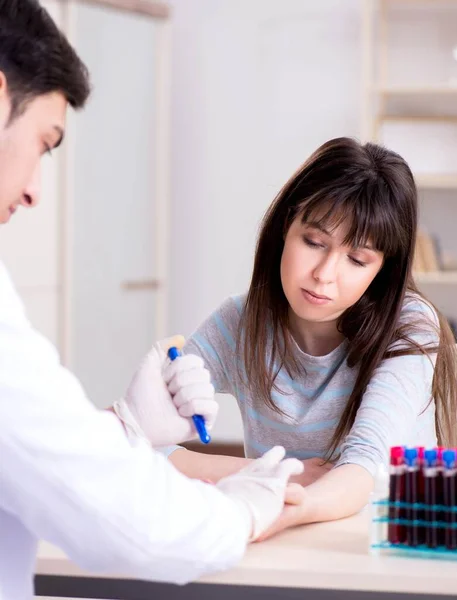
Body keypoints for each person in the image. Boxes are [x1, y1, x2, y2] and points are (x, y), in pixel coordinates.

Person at [0, 2, 305, 598]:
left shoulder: (412, 330)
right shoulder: (243, 317)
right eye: (44, 142)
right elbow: (126, 525)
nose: (35, 189)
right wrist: (240, 511)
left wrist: (126, 427)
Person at [165, 136, 457, 537]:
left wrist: (286, 501)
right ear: (287, 225)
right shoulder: (239, 322)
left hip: (385, 544)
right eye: (315, 242)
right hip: (282, 538)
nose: (324, 274)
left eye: (357, 260)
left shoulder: (409, 326)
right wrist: (270, 474)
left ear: (382, 271)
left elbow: (363, 464)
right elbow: (134, 445)